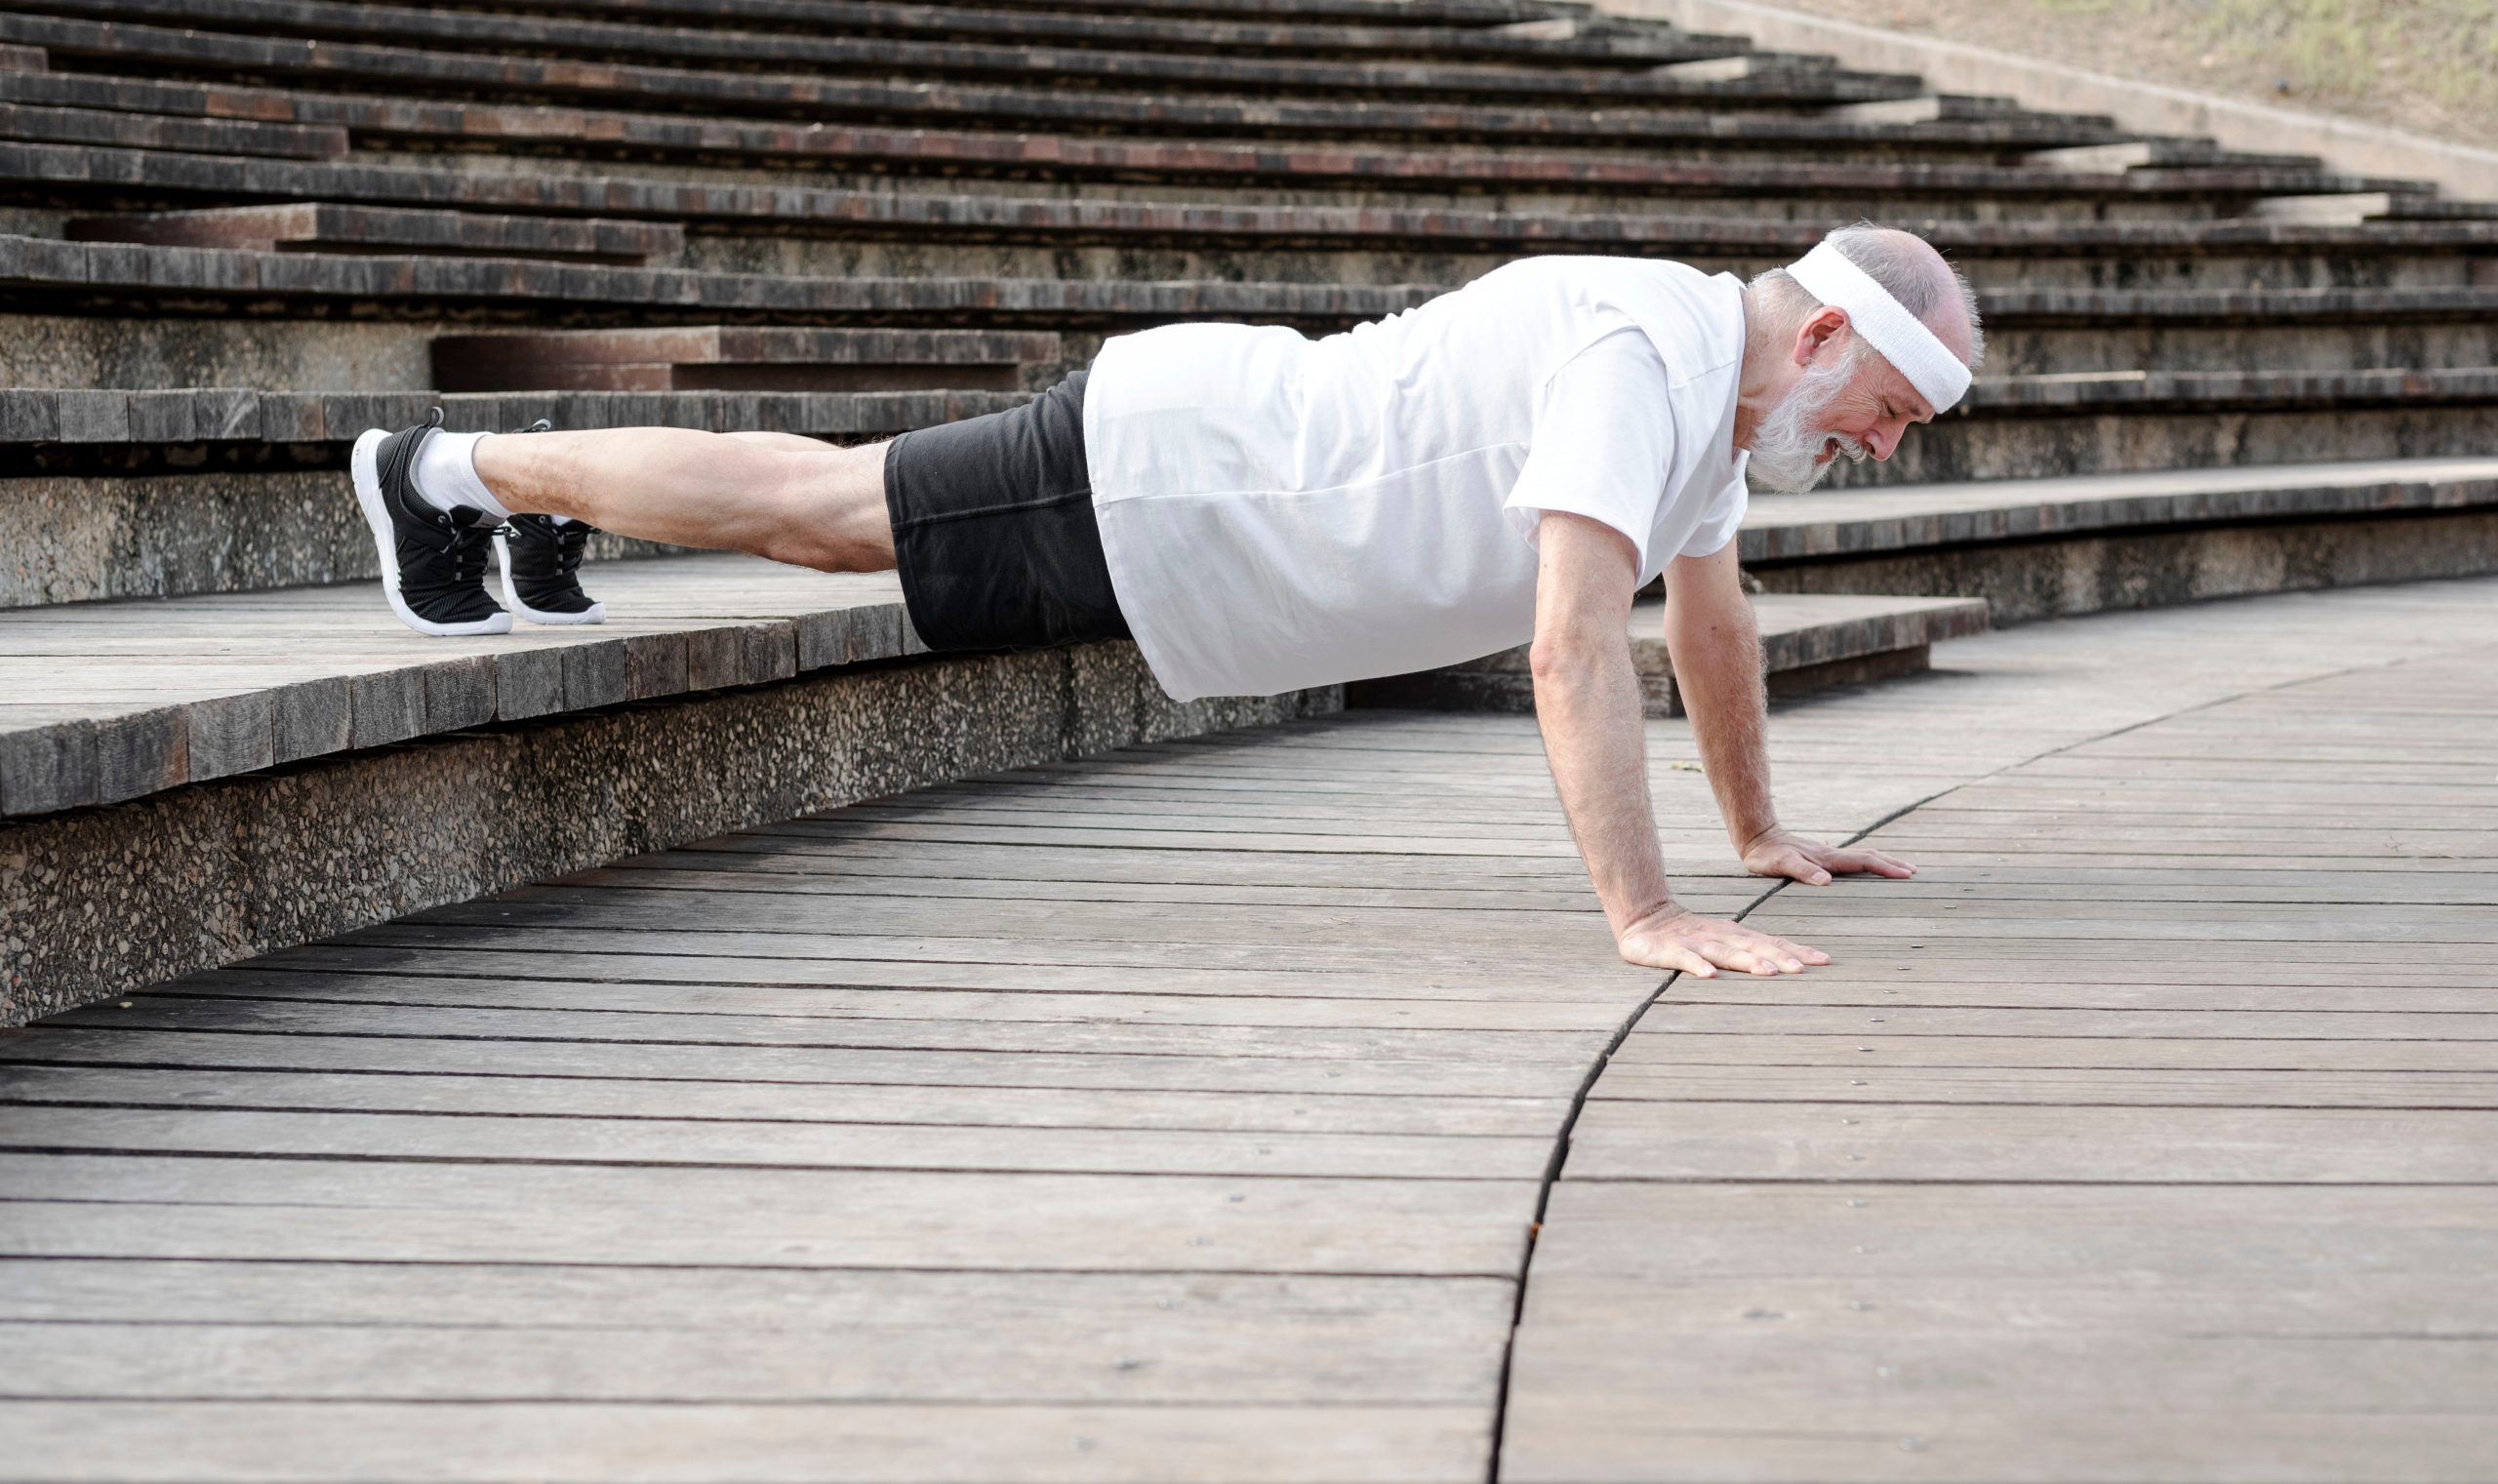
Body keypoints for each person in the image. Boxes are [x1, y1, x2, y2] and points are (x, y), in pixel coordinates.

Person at [353, 223, 1983, 979]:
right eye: (1890, 411)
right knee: (825, 520)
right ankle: (445, 473)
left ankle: (527, 494)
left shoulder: (1709, 405)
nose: (1880, 447)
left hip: (1202, 507)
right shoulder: (1649, 358)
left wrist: (1759, 831)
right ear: (1824, 340)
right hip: (1174, 475)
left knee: (830, 513)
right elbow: (1570, 643)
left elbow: (1709, 616)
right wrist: (1643, 913)